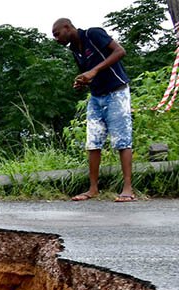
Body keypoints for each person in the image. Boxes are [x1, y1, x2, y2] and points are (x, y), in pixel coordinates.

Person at [52, 18, 136, 202]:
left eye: (57, 34)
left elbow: (120, 51)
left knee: (122, 139)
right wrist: (82, 81)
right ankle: (93, 189)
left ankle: (128, 188)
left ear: (68, 27)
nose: (56, 39)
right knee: (93, 142)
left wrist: (94, 71)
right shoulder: (74, 49)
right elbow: (88, 73)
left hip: (117, 91)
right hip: (97, 96)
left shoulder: (93, 34)